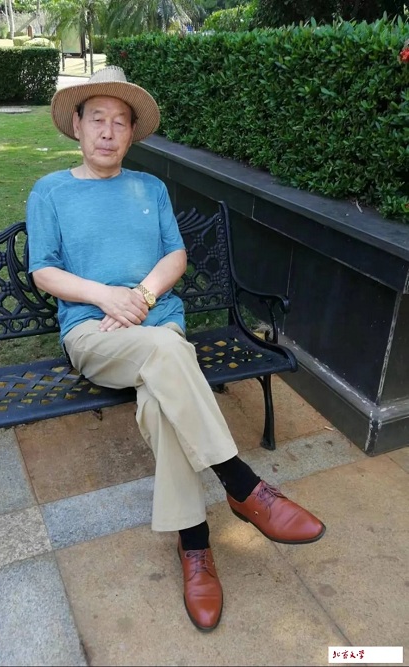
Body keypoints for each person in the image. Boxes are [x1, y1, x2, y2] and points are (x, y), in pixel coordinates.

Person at [26, 66, 326, 632]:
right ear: (77, 126)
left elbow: (176, 256)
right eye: (98, 120)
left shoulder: (151, 189)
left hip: (158, 328)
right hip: (94, 334)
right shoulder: (51, 191)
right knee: (168, 355)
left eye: (120, 122)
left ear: (131, 134)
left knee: (163, 399)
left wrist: (141, 298)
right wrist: (106, 298)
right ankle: (242, 484)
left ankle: (196, 544)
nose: (108, 132)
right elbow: (43, 269)